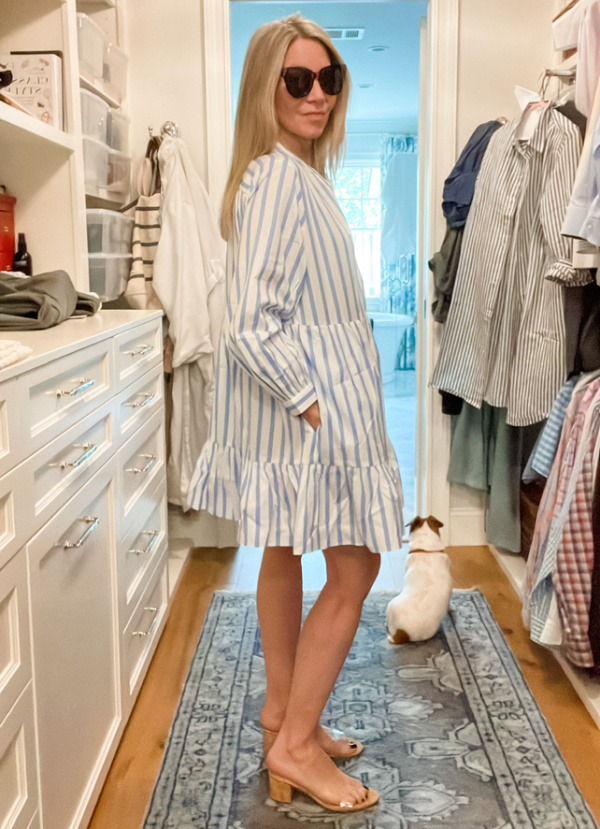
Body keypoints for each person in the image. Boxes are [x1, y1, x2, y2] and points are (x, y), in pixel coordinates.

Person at [187, 14, 404, 813]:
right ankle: (297, 745)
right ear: (265, 89)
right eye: (298, 80)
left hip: (298, 401)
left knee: (284, 544)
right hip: (310, 401)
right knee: (356, 566)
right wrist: (312, 400)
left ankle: (284, 711)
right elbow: (252, 320)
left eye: (329, 79)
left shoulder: (284, 172)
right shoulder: (279, 178)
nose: (318, 95)